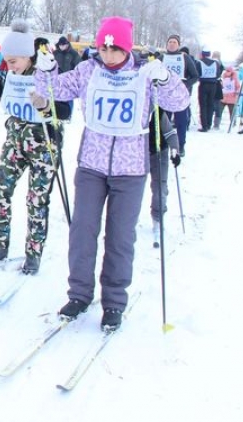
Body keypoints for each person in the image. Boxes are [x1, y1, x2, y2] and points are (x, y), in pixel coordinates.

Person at [35, 16, 190, 331]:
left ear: (126, 48)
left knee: (120, 237)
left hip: (130, 170)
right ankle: (79, 294)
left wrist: (163, 77)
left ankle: (115, 301)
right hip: (91, 165)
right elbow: (53, 90)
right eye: (103, 48)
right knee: (82, 231)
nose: (107, 56)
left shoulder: (143, 73)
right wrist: (46, 68)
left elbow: (181, 100)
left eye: (114, 50)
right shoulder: (89, 69)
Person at [0, 20, 61, 274]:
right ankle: (0, 244)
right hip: (16, 140)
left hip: (43, 143)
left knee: (36, 199)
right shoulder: (12, 74)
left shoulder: (44, 72)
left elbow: (62, 110)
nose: (9, 65)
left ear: (28, 56)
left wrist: (47, 105)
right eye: (7, 60)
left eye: (14, 61)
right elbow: (8, 100)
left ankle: (33, 253)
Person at [148, 109, 180, 248]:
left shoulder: (158, 112)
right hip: (136, 154)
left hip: (159, 153)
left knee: (160, 189)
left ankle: (157, 217)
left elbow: (170, 133)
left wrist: (175, 151)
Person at [160, 35, 198, 155]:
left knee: (181, 122)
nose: (171, 44)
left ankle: (181, 146)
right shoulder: (161, 57)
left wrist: (185, 84)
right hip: (165, 95)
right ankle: (163, 144)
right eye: (170, 42)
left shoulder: (185, 58)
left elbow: (195, 75)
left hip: (180, 96)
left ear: (178, 45)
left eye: (174, 42)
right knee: (164, 122)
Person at [53, 36, 81, 120]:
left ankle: (69, 115)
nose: (62, 47)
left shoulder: (73, 53)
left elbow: (79, 65)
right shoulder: (55, 53)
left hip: (70, 79)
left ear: (67, 44)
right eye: (60, 45)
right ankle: (58, 114)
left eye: (64, 45)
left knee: (69, 97)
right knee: (57, 97)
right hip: (57, 78)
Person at [195, 48, 223, 131]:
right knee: (210, 104)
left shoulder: (199, 62)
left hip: (203, 84)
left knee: (203, 105)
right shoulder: (216, 63)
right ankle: (209, 124)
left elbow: (197, 73)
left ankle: (204, 126)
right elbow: (218, 74)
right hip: (213, 85)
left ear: (202, 54)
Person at [216, 65, 240, 130]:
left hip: (225, 97)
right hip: (230, 98)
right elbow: (238, 86)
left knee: (219, 112)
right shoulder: (232, 77)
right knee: (231, 112)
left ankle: (216, 124)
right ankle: (233, 123)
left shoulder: (226, 77)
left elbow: (221, 86)